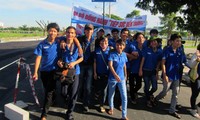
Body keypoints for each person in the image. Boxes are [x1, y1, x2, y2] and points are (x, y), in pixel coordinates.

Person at [33, 23, 60, 120]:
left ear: (57, 33)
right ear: (48, 31)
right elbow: (38, 58)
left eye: (55, 31)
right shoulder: (42, 44)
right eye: (51, 30)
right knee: (47, 89)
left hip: (54, 71)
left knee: (48, 92)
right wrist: (35, 72)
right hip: (44, 71)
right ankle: (54, 98)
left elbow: (71, 36)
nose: (52, 33)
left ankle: (44, 114)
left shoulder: (59, 42)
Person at [57, 26, 83, 120]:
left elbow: (81, 58)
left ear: (75, 34)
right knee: (63, 93)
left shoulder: (77, 46)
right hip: (64, 71)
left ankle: (69, 113)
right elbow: (59, 57)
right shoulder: (61, 44)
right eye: (68, 32)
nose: (70, 34)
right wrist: (59, 62)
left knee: (73, 94)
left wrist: (74, 63)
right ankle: (67, 101)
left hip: (75, 72)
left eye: (72, 33)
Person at [154, 34, 183, 119]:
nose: (179, 43)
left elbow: (182, 62)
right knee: (165, 92)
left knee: (176, 93)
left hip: (176, 76)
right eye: (177, 41)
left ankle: (172, 110)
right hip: (168, 75)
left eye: (180, 41)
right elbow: (163, 63)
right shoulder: (167, 50)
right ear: (172, 41)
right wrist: (165, 74)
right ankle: (156, 99)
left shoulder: (179, 51)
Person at [107, 39, 128, 120]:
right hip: (112, 78)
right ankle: (111, 108)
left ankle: (124, 115)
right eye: (118, 45)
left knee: (124, 97)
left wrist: (126, 75)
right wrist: (115, 75)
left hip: (122, 79)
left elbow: (124, 65)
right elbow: (110, 65)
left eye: (121, 45)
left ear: (124, 46)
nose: (119, 46)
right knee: (111, 94)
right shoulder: (112, 54)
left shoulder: (124, 55)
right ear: (116, 46)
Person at [139, 36, 162, 107]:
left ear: (157, 43)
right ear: (150, 43)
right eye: (152, 41)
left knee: (155, 87)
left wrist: (157, 72)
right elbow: (142, 60)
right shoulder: (146, 50)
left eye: (155, 41)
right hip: (145, 71)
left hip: (153, 72)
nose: (154, 43)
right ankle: (148, 99)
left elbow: (159, 61)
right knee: (147, 86)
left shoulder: (159, 51)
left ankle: (149, 95)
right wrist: (140, 70)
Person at [78, 24, 95, 112]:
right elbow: (69, 39)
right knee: (79, 84)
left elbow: (106, 43)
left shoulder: (95, 40)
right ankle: (76, 99)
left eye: (90, 30)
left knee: (88, 86)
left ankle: (85, 104)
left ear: (93, 31)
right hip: (80, 64)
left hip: (90, 66)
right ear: (84, 31)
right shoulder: (79, 39)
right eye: (87, 30)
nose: (89, 31)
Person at [93, 36, 110, 113]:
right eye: (102, 42)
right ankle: (99, 99)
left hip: (107, 74)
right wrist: (95, 72)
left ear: (108, 43)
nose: (103, 43)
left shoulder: (111, 51)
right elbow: (95, 62)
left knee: (104, 90)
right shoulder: (97, 50)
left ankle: (101, 105)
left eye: (105, 42)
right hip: (98, 73)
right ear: (99, 43)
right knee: (98, 88)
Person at [129, 32, 146, 104]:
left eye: (142, 37)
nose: (141, 39)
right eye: (139, 38)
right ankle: (133, 98)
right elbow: (133, 51)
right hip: (132, 68)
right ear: (136, 39)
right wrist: (133, 52)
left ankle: (134, 92)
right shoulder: (133, 45)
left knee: (139, 85)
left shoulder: (145, 47)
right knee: (131, 84)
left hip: (140, 69)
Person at [190, 44, 200, 118]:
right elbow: (191, 65)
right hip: (196, 77)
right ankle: (193, 109)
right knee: (195, 93)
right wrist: (197, 59)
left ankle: (198, 106)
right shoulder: (197, 54)